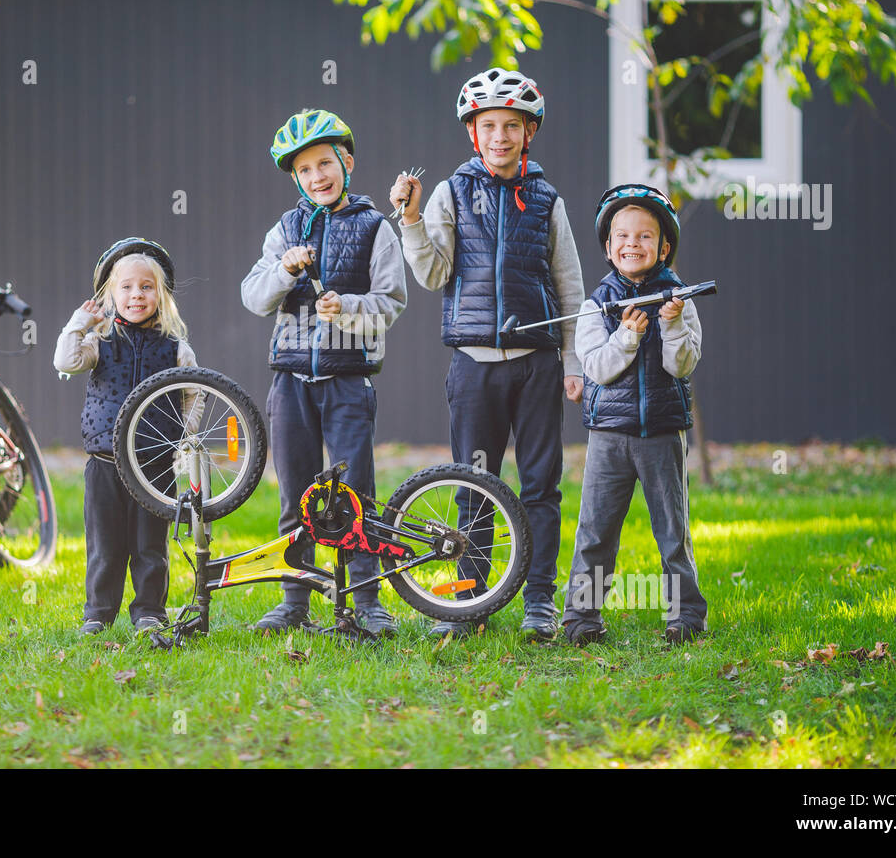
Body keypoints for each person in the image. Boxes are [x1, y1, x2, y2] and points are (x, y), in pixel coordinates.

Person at [391, 67, 585, 640]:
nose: (500, 136)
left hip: (538, 364)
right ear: (473, 133)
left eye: (512, 126)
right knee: (474, 482)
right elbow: (432, 275)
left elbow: (570, 285)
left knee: (540, 485)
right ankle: (472, 596)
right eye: (489, 126)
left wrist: (572, 362)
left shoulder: (547, 201)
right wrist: (410, 220)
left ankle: (540, 602)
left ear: (530, 132)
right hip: (473, 365)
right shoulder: (451, 192)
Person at [241, 108, 408, 637]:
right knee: (297, 494)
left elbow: (393, 301)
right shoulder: (285, 230)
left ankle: (367, 601)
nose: (317, 176)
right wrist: (283, 269)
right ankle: (297, 598)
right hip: (290, 381)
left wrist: (352, 308)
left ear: (347, 162)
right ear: (296, 179)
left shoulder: (374, 226)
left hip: (347, 380)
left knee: (354, 493)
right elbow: (252, 297)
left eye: (325, 163)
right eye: (305, 170)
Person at [560, 184, 709, 646]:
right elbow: (598, 370)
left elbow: (681, 366)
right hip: (609, 435)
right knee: (595, 531)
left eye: (645, 237)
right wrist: (625, 336)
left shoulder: (680, 302)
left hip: (663, 433)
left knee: (673, 531)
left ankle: (685, 617)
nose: (632, 245)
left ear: (664, 247)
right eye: (622, 236)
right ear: (608, 247)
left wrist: (671, 324)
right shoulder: (595, 305)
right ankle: (582, 619)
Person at [54, 238, 196, 637]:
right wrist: (79, 324)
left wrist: (184, 434)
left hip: (153, 463)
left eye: (146, 287)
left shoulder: (176, 349)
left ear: (161, 294)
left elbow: (194, 393)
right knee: (105, 544)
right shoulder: (99, 343)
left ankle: (150, 610)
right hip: (104, 463)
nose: (137, 295)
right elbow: (65, 361)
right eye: (127, 287)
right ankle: (98, 613)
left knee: (150, 544)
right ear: (110, 295)